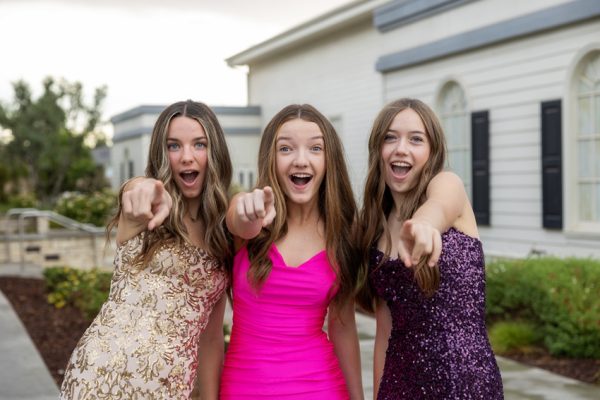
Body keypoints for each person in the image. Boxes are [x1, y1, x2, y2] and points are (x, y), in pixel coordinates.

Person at [60, 100, 233, 400]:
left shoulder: (223, 234)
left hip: (170, 388)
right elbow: (134, 191)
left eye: (199, 145)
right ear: (161, 153)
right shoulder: (146, 206)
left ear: (214, 151)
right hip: (98, 379)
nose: (186, 157)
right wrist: (142, 191)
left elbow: (211, 338)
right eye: (174, 146)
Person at [357, 98, 503, 399]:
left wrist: (424, 224)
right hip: (400, 384)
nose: (401, 148)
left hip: (467, 382)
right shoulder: (374, 230)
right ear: (378, 150)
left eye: (416, 139)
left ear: (431, 151)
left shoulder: (448, 185)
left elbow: (438, 207)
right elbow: (385, 332)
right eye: (390, 137)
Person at [220, 104, 364, 399]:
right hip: (245, 388)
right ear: (271, 158)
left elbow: (344, 328)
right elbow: (238, 221)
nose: (301, 160)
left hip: (321, 387)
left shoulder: (343, 232)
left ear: (329, 160)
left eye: (315, 149)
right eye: (286, 149)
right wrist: (249, 216)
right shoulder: (249, 209)